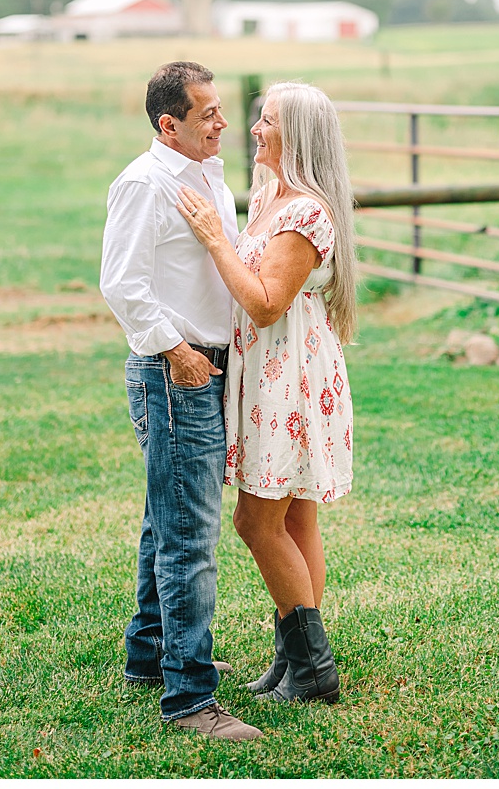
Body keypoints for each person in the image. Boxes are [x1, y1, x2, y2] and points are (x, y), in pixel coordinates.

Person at [175, 80, 356, 707]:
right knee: (296, 513)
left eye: (267, 120)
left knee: (256, 521)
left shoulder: (305, 214)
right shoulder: (273, 200)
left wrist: (214, 240)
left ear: (297, 135)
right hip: (272, 373)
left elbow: (265, 303)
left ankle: (313, 668)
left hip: (288, 379)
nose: (253, 129)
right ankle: (296, 657)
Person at [100, 61, 262, 741]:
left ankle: (151, 654)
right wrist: (179, 351)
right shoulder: (145, 184)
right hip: (177, 373)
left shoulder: (205, 176)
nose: (223, 123)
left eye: (221, 110)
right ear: (170, 124)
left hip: (206, 368)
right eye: (208, 115)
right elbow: (122, 283)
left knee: (165, 521)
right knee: (190, 539)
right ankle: (191, 698)